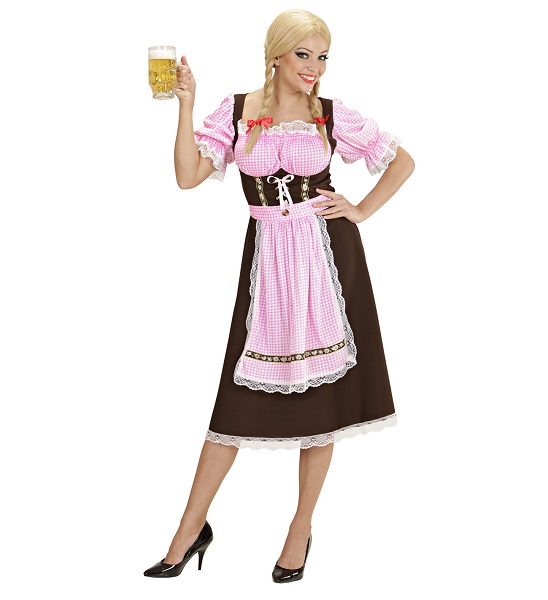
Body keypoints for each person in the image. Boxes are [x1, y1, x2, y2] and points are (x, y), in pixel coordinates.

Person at [143, 8, 415, 584]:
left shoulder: (330, 115)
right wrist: (186, 105)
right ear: (276, 55)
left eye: (323, 57)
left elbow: (402, 161)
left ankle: (300, 529)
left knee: (326, 400)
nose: (315, 67)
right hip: (267, 261)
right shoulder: (238, 111)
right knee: (235, 396)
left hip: (330, 259)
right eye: (303, 55)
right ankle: (189, 529)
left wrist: (361, 210)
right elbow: (188, 176)